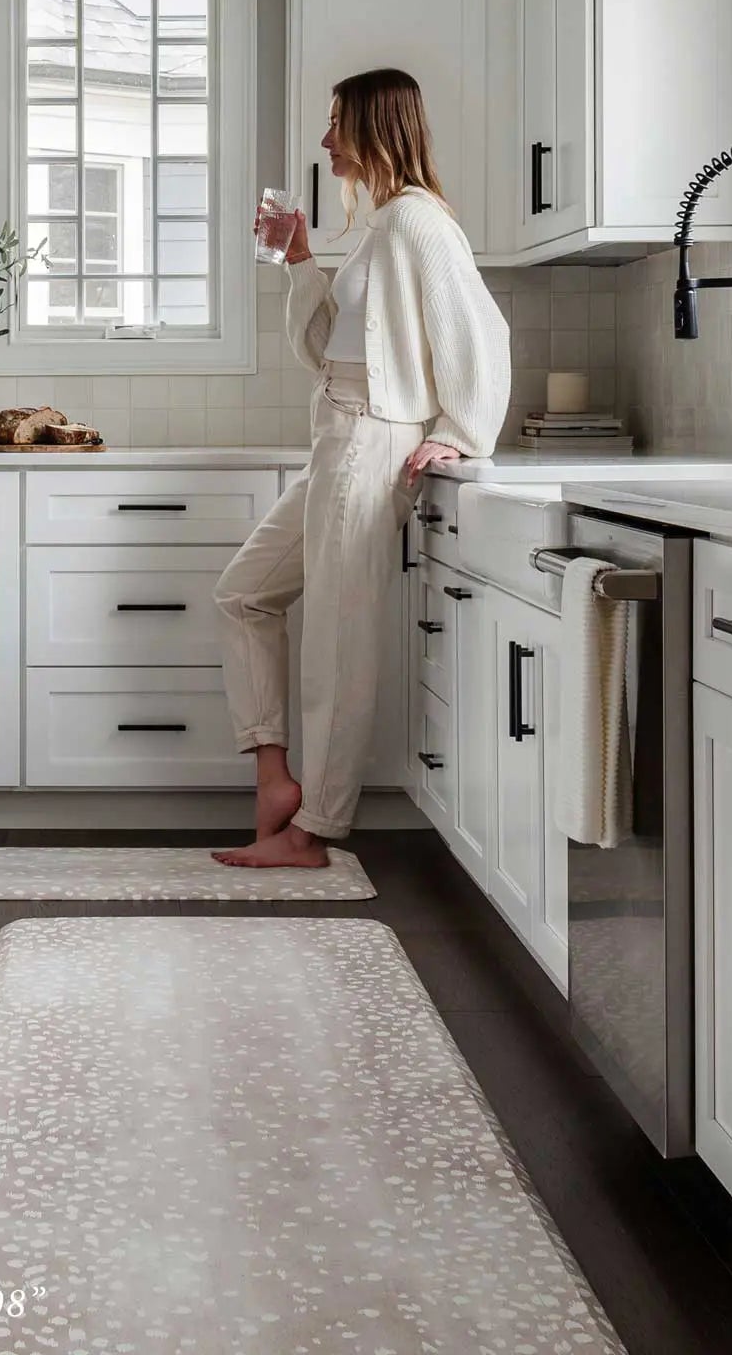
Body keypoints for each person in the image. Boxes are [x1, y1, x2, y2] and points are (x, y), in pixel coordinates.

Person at [212, 67, 511, 868]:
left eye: (337, 123)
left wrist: (460, 430)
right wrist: (301, 260)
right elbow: (322, 353)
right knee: (244, 593)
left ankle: (316, 829)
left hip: (374, 441)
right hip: (338, 436)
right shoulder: (380, 226)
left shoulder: (419, 223)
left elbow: (481, 336)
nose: (325, 140)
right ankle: (276, 777)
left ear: (377, 126)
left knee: (339, 643)